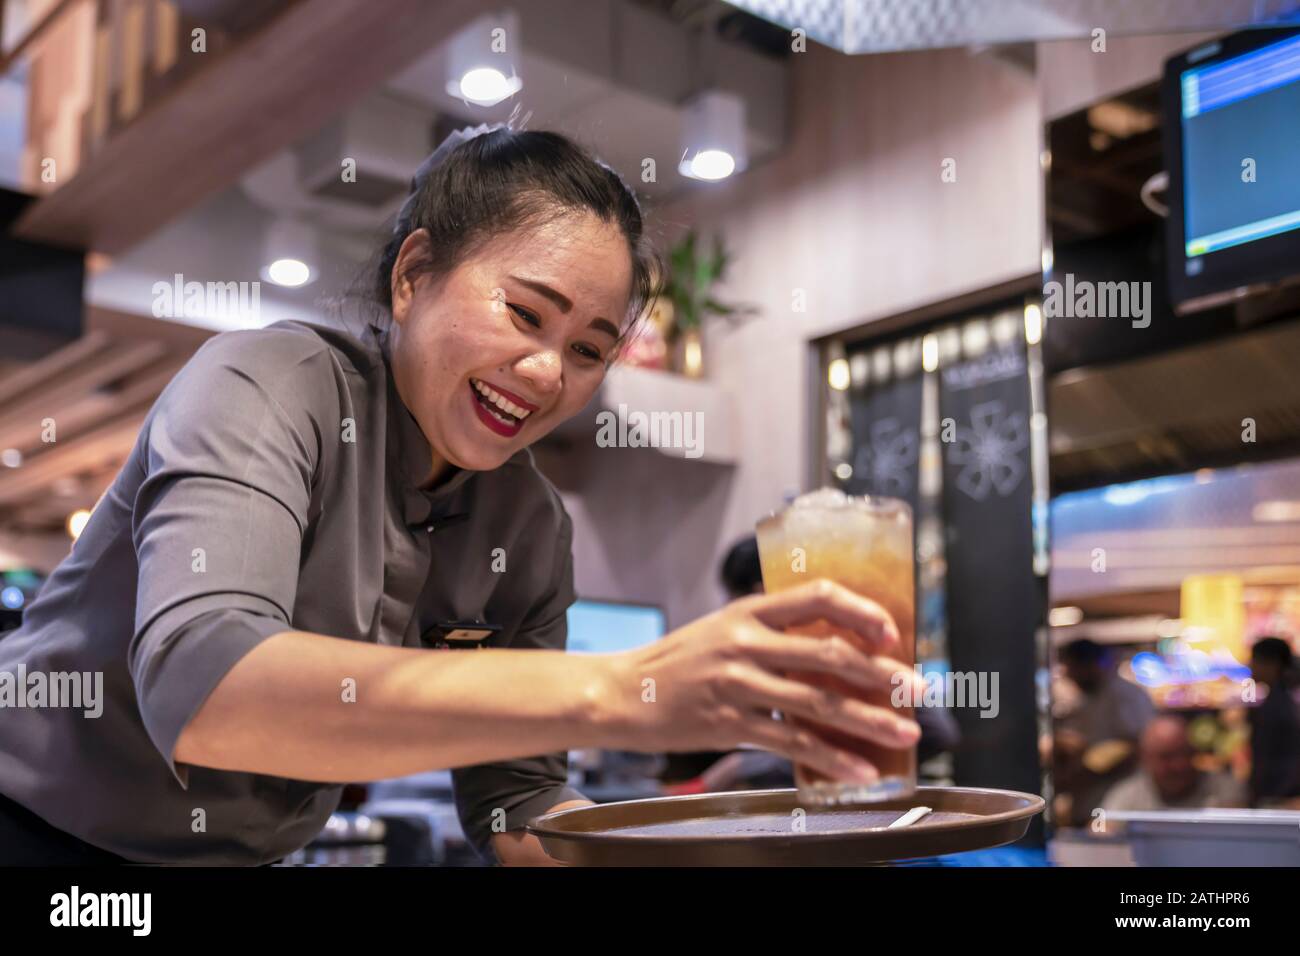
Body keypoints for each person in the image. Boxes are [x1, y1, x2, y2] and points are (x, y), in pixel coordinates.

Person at [0, 125, 922, 866]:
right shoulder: (266, 385)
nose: (546, 371)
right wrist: (626, 689)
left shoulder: (528, 526)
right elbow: (208, 690)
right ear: (412, 277)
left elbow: (517, 800)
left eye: (590, 350)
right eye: (525, 314)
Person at [663, 535, 956, 795]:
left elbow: (937, 732)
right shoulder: (775, 660)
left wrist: (746, 768)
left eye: (734, 600)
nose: (729, 612)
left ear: (762, 593)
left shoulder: (833, 649)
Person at [1054, 638, 1156, 825]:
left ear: (1091, 665)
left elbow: (1134, 747)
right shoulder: (1085, 698)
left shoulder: (1125, 696)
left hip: (1119, 800)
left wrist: (1085, 775)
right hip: (1088, 800)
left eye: (1073, 668)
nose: (1070, 675)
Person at [1099, 715, 1245, 814]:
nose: (1179, 765)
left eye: (1185, 753)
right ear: (1145, 759)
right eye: (1167, 757)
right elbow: (1100, 836)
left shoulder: (1224, 790)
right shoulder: (1126, 796)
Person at [1247, 637, 1300, 807]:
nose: (1250, 666)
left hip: (1280, 798)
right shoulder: (1286, 696)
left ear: (1273, 664)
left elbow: (1273, 756)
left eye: (1255, 660)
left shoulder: (1280, 703)